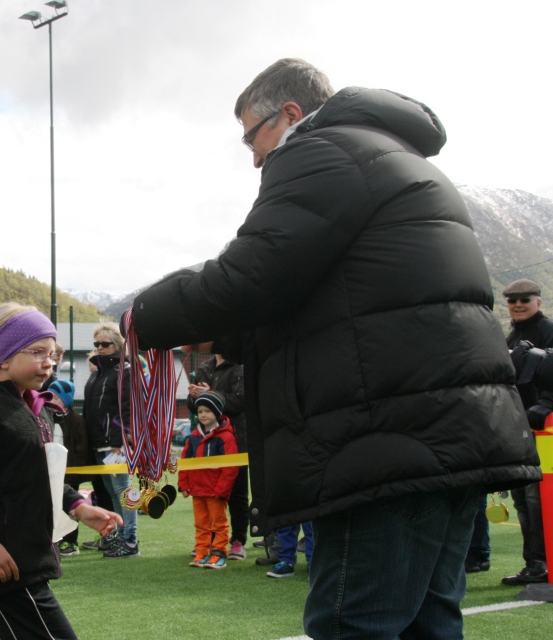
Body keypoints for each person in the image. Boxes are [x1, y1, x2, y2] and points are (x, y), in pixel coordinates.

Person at [127, 58, 541, 638]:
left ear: (290, 113)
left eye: (251, 137)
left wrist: (144, 316)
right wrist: (225, 335)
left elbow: (253, 275)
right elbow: (335, 304)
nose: (254, 157)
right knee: (427, 622)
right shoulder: (388, 154)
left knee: (354, 623)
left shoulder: (322, 150)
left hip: (384, 440)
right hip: (442, 432)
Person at [0, 303, 122, 639]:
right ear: (4, 356)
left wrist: (78, 507)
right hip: (3, 567)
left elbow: (41, 474)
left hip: (30, 559)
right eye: (37, 352)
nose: (49, 362)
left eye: (52, 353)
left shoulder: (34, 408)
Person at [499, 278, 553, 586]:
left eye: (524, 299)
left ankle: (542, 562)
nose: (517, 304)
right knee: (522, 498)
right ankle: (534, 562)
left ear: (538, 302)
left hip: (544, 431)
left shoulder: (548, 331)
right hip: (517, 427)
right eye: (512, 300)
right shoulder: (511, 334)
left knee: (536, 497)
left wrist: (546, 403)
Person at [186, 338, 249, 561]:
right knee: (208, 491)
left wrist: (210, 393)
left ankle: (238, 541)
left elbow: (240, 401)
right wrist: (193, 396)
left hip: (235, 438)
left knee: (237, 493)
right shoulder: (205, 367)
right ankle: (211, 541)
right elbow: (194, 407)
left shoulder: (240, 365)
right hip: (208, 440)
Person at [83, 322, 138, 558]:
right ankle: (119, 538)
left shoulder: (124, 371)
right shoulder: (98, 372)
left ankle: (130, 541)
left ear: (117, 345)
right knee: (113, 492)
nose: (99, 347)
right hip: (99, 442)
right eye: (96, 343)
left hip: (114, 443)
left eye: (105, 344)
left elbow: (126, 409)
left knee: (122, 489)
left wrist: (120, 440)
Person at [179, 391, 238, 570]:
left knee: (219, 524)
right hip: (197, 491)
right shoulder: (193, 437)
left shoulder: (226, 437)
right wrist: (184, 484)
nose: (203, 415)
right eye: (200, 411)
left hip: (216, 492)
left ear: (217, 413)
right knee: (201, 524)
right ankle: (202, 552)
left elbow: (231, 468)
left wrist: (222, 490)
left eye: (208, 411)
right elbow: (185, 461)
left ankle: (219, 553)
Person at [49, 378, 92, 557]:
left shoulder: (76, 420)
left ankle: (71, 541)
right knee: (52, 508)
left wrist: (74, 470)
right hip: (50, 473)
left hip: (69, 474)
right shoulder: (46, 417)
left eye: (56, 398)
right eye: (50, 397)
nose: (52, 401)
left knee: (70, 508)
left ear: (65, 400)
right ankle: (55, 539)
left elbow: (81, 448)